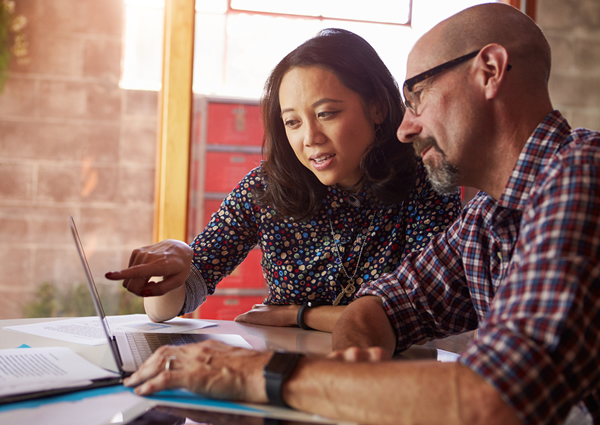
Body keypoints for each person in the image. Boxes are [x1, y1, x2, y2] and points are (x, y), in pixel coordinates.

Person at [120, 4, 600, 425]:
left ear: (490, 71)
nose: (406, 127)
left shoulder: (581, 176)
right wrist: (347, 381)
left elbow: (496, 400)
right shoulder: (488, 218)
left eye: (417, 97)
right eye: (292, 121)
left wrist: (256, 372)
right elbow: (388, 305)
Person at [106, 29, 461, 332]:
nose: (310, 138)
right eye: (293, 122)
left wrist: (300, 316)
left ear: (377, 108)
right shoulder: (266, 188)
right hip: (285, 377)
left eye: (326, 114)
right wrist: (178, 259)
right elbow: (166, 309)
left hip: (389, 381)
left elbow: (426, 310)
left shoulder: (424, 181)